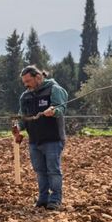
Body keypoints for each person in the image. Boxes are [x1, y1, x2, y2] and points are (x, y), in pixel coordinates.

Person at [12, 65, 68, 210]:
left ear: (38, 77)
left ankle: (55, 199)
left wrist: (54, 110)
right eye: (24, 82)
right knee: (40, 170)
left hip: (53, 138)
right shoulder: (25, 96)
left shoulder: (54, 89)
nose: (26, 84)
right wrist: (18, 127)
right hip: (34, 140)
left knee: (53, 170)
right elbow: (22, 117)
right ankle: (43, 198)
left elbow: (61, 108)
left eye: (28, 81)